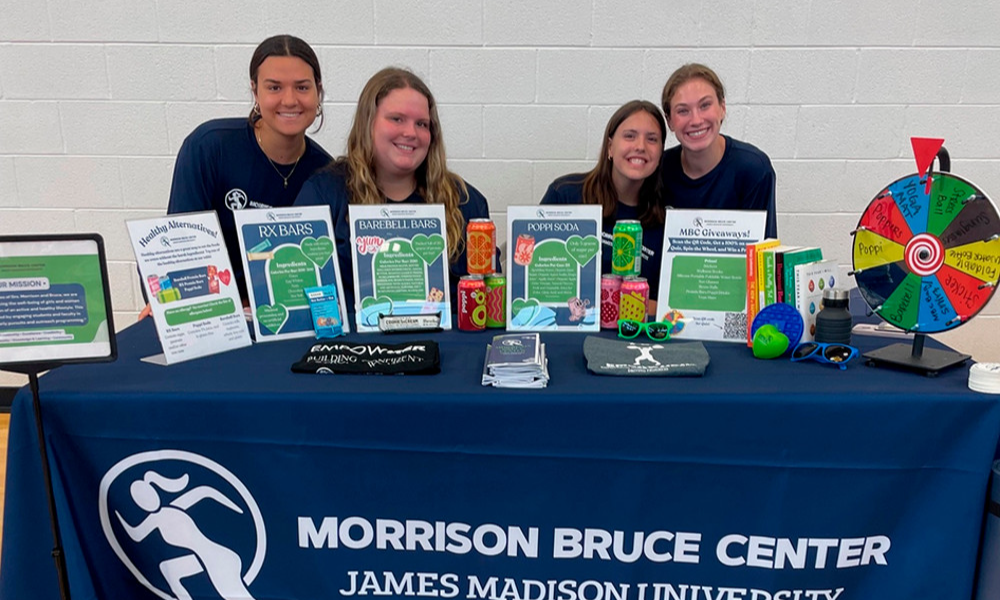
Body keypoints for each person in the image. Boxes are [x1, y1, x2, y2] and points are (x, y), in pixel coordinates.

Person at [294, 67, 494, 307]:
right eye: (397, 119)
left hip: (444, 343)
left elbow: (488, 299)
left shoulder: (465, 202)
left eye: (422, 124)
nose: (410, 133)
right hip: (353, 343)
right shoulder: (323, 194)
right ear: (368, 123)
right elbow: (298, 291)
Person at [165, 35, 331, 301]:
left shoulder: (326, 173)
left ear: (318, 91)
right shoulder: (209, 148)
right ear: (255, 91)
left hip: (290, 316)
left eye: (302, 87)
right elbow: (177, 248)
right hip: (214, 311)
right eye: (274, 88)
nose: (289, 100)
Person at [540, 100, 667, 298]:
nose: (640, 146)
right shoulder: (565, 195)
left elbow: (664, 304)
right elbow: (534, 277)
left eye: (652, 139)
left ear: (661, 152)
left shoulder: (665, 219)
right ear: (610, 147)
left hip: (636, 328)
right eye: (629, 136)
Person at [660, 63, 777, 239]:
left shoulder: (753, 170)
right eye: (683, 111)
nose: (696, 120)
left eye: (705, 105)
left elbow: (762, 254)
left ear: (722, 108)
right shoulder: (660, 170)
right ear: (669, 121)